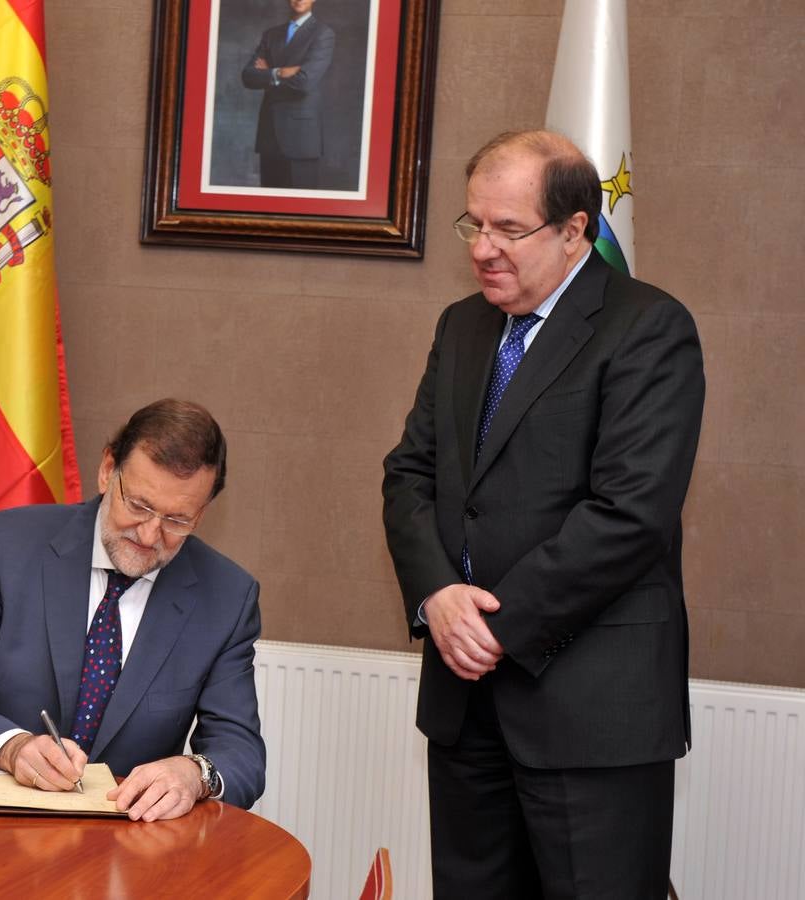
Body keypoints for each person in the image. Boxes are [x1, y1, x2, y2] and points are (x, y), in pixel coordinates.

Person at [382, 130, 704, 898]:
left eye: (509, 229)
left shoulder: (648, 328)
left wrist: (494, 623)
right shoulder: (462, 327)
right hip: (467, 711)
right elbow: (409, 475)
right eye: (474, 225)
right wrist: (437, 597)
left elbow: (630, 513)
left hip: (591, 710)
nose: (484, 249)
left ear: (573, 232)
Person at [0, 399, 265, 821]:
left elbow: (241, 753)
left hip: (129, 842)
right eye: (139, 505)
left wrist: (194, 772)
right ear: (107, 470)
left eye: (177, 520)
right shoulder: (9, 545)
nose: (150, 535)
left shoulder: (226, 596)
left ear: (202, 513)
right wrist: (11, 748)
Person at [240, 0, 336, 189]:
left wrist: (268, 73)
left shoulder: (323, 34)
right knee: (269, 208)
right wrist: (280, 72)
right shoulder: (271, 34)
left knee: (300, 210)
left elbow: (304, 83)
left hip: (301, 137)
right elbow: (248, 76)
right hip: (270, 134)